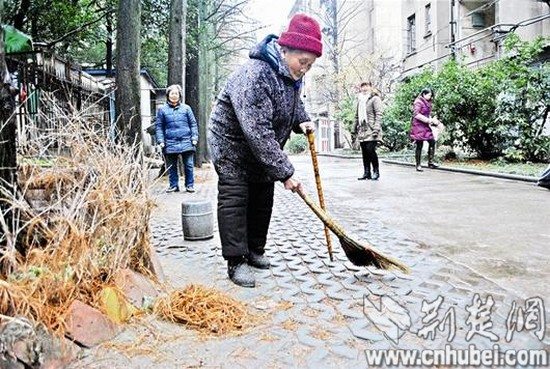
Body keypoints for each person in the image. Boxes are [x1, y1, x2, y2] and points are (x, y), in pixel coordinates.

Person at [208, 13, 321, 287]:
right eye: (302, 62)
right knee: (236, 198)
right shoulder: (256, 74)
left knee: (262, 197)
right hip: (232, 145)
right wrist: (285, 172)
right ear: (284, 50)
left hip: (260, 148)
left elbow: (292, 103)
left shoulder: (292, 75)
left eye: (310, 64)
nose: (304, 68)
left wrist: (302, 120)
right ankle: (236, 261)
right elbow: (257, 130)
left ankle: (255, 250)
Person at [156, 84, 199, 193]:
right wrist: (161, 140)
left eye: (176, 93)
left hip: (187, 141)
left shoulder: (186, 108)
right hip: (169, 142)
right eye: (172, 93)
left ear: (179, 95)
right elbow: (159, 127)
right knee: (171, 166)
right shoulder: (162, 110)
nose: (174, 95)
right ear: (168, 95)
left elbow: (193, 124)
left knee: (188, 165)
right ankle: (173, 185)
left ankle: (190, 185)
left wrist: (194, 138)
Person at [353, 82, 383, 180]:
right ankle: (367, 172)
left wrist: (376, 128)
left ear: (370, 87)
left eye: (366, 86)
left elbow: (378, 114)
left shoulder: (375, 99)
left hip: (372, 128)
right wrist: (354, 128)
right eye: (362, 86)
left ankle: (376, 172)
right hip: (362, 128)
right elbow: (356, 116)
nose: (364, 88)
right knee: (364, 151)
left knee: (371, 150)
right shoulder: (360, 100)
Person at [410, 87, 440, 171]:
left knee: (432, 141)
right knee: (419, 144)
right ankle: (418, 165)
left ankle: (431, 162)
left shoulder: (427, 102)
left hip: (425, 125)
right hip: (418, 125)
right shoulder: (418, 102)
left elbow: (427, 113)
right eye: (429, 95)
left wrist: (433, 120)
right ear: (424, 94)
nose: (430, 97)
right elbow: (416, 114)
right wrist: (428, 120)